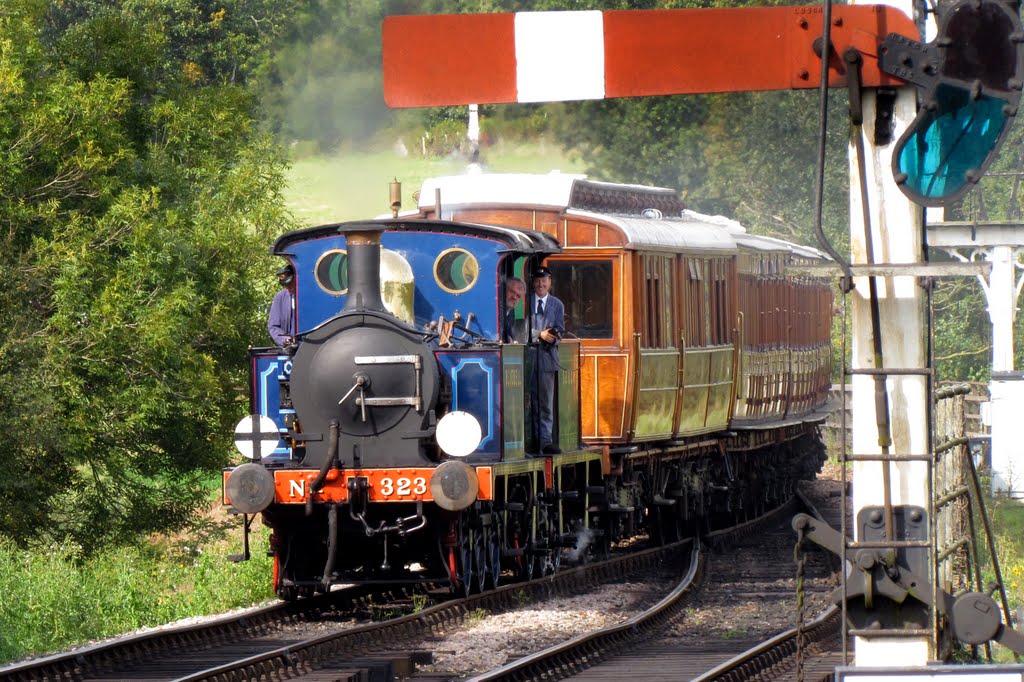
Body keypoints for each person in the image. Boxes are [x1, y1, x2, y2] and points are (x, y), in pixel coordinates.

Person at [528, 267, 565, 455]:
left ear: (550, 282)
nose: (541, 284)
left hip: (547, 358)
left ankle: (545, 441)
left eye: (545, 281)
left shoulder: (557, 305)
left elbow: (560, 330)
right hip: (527, 358)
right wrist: (538, 335)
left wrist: (553, 337)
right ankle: (531, 440)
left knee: (545, 403)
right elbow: (519, 328)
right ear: (533, 283)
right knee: (529, 401)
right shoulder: (525, 303)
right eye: (538, 281)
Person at [268, 264, 296, 346]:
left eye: (289, 283)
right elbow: (273, 326)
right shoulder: (279, 297)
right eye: (285, 285)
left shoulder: (308, 296)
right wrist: (284, 339)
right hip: (289, 347)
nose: (287, 287)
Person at [502, 277, 527, 343]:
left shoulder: (511, 313)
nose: (514, 297)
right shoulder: (496, 310)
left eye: (518, 296)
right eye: (512, 292)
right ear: (504, 290)